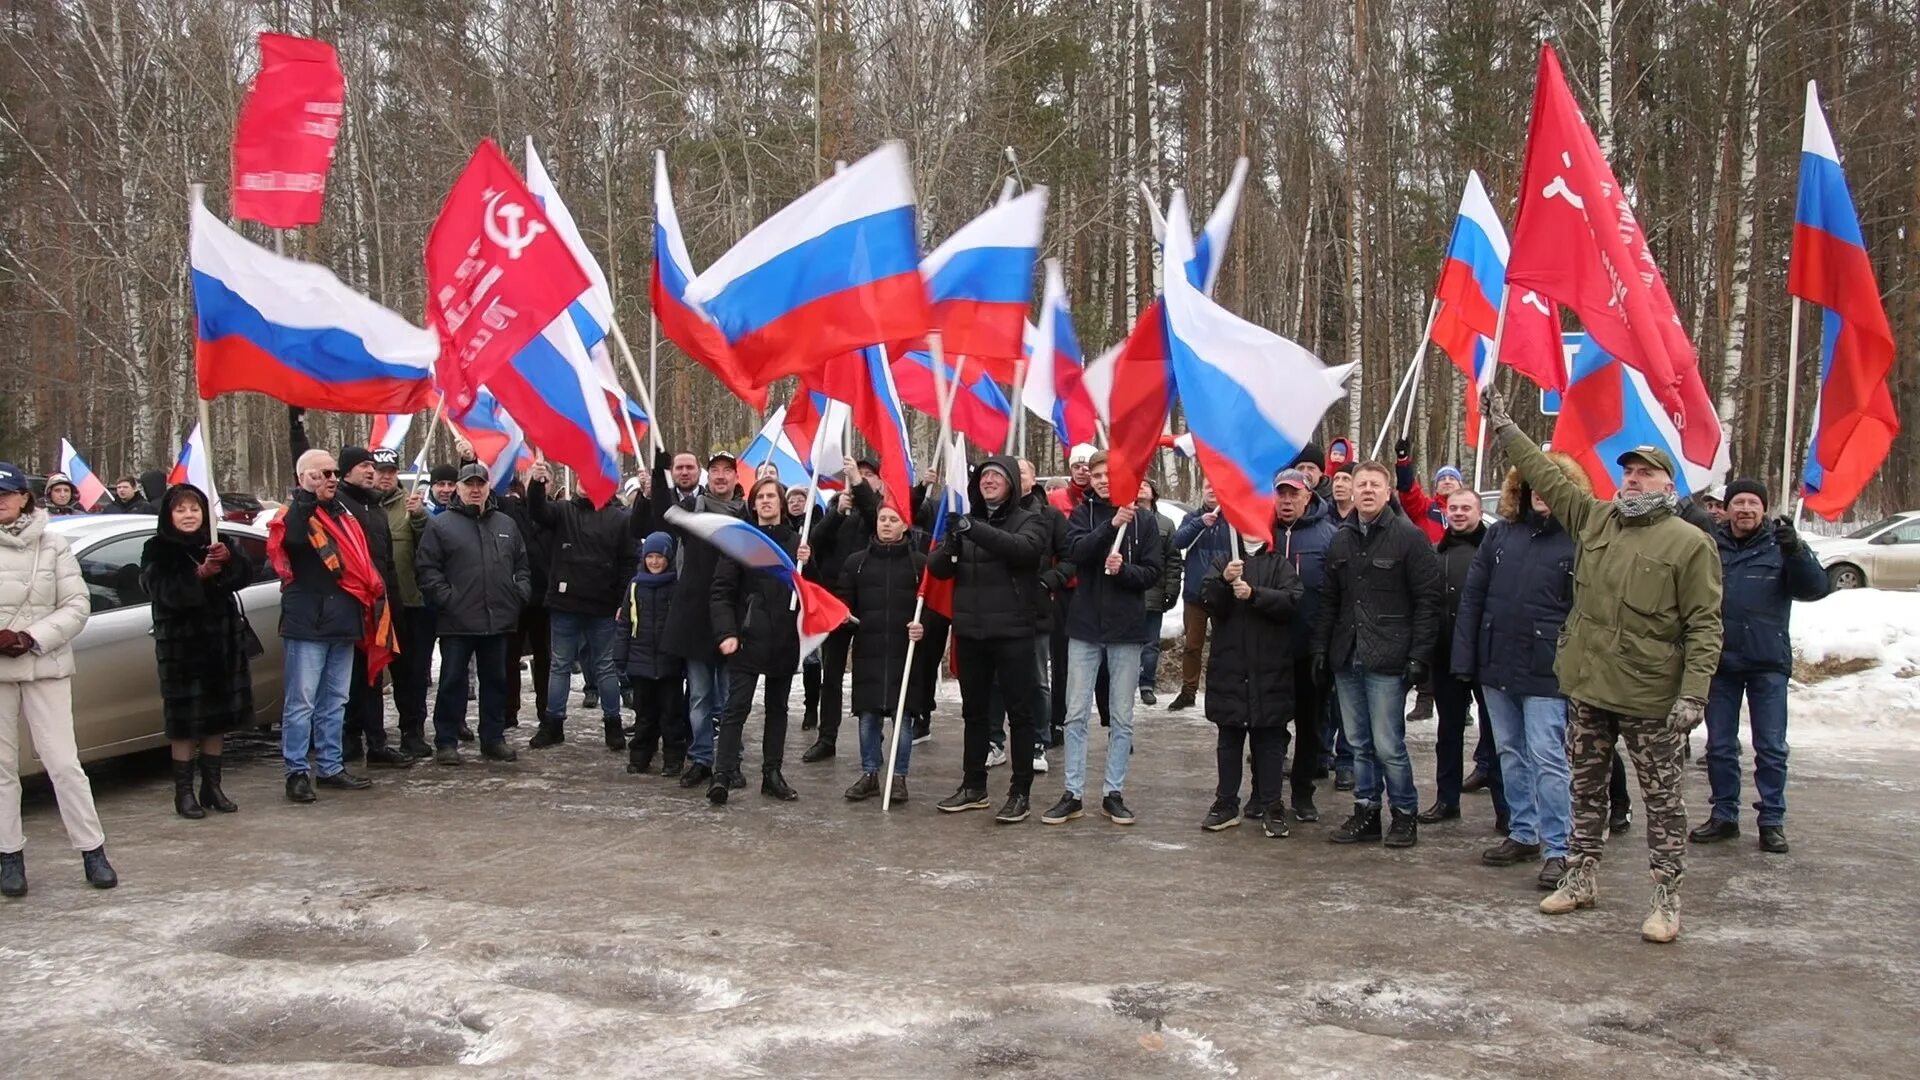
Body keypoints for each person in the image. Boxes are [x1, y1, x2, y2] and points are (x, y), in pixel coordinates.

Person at [1485, 389, 1723, 944]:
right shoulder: (1596, 521)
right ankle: (1581, 875)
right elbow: (1549, 479)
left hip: (1652, 697)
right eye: (1630, 471)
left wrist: (1694, 694)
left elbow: (1706, 625)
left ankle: (1666, 896)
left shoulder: (1689, 543)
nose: (1634, 479)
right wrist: (1505, 430)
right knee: (1584, 791)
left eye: (1646, 473)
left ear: (1669, 484)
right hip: (1589, 686)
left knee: (1662, 801)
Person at [1455, 450, 1585, 889]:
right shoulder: (1501, 535)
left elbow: (1587, 611)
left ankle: (1558, 847)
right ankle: (1524, 831)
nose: (1542, 493)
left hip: (1548, 669)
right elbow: (1473, 597)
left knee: (1548, 757)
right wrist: (1466, 658)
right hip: (1496, 663)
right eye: (1534, 483)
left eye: (1552, 485)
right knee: (1509, 752)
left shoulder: (1578, 539)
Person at [1690, 479, 1829, 854]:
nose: (1746, 509)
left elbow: (1816, 589)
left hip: (1767, 661)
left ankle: (1772, 820)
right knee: (1719, 745)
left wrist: (1796, 550)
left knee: (1770, 746)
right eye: (1738, 503)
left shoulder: (1781, 544)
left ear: (1763, 509)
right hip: (1720, 661)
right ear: (1728, 508)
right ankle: (1724, 815)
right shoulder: (1709, 545)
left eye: (1753, 503)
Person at [1313, 460, 1443, 850]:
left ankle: (1404, 813)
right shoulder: (1340, 539)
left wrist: (1420, 655)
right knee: (1357, 742)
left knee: (1388, 744)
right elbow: (1329, 601)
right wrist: (1321, 648)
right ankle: (1366, 810)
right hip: (1347, 656)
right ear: (1351, 492)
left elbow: (1428, 601)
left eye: (1375, 485)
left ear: (1388, 493)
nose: (1367, 490)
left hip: (1389, 656)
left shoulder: (1408, 537)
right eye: (1361, 484)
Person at [0, 463, 115, 895]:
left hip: (44, 664)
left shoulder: (53, 545)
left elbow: (76, 606)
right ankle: (9, 856)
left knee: (64, 765)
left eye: (7, 493)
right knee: (2, 770)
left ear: (24, 497)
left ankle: (93, 850)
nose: (1, 502)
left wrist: (30, 637)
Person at [1043, 451, 1163, 826]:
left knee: (1121, 717)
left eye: (1109, 473)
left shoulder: (1144, 522)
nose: (1102, 480)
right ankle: (1073, 792)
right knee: (1076, 714)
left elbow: (1153, 573)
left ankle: (1114, 791)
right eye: (1096, 474)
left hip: (1126, 631)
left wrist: (1125, 570)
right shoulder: (1083, 515)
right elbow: (1077, 552)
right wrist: (1111, 525)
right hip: (1084, 629)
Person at [929, 455, 1051, 823]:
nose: (989, 481)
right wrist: (950, 544)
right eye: (984, 476)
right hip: (971, 631)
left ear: (1013, 483)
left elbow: (1023, 550)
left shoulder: (1030, 519)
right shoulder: (969, 522)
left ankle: (1020, 792)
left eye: (997, 475)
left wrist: (972, 529)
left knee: (1020, 712)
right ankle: (973, 786)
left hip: (1012, 631)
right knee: (974, 712)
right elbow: (936, 569)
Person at [269, 449, 381, 802]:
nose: (332, 479)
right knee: (301, 703)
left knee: (336, 700)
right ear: (304, 478)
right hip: (308, 622)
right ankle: (297, 771)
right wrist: (305, 497)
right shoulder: (295, 514)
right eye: (323, 473)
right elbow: (295, 542)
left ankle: (331, 766)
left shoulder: (344, 515)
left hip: (342, 620)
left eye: (334, 473)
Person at [142, 484, 252, 818]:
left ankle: (213, 786)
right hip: (182, 648)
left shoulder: (217, 539)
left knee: (216, 718)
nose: (188, 516)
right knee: (185, 722)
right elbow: (158, 589)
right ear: (169, 515)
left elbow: (244, 576)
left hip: (220, 643)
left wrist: (230, 561)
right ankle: (184, 792)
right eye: (180, 510)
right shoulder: (157, 548)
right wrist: (198, 575)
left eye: (194, 509)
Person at [415, 463, 530, 765]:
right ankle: (446, 741)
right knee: (453, 682)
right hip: (457, 621)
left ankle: (493, 738)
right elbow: (427, 570)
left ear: (489, 487)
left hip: (498, 620)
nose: (475, 489)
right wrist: (447, 599)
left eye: (481, 484)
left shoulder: (506, 524)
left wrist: (518, 594)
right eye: (469, 484)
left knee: (495, 682)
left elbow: (522, 565)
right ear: (459, 488)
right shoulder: (441, 526)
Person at [1197, 514, 1304, 836]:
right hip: (1229, 668)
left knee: (1269, 742)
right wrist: (1223, 583)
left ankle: (1273, 806)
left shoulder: (1279, 564)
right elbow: (1208, 602)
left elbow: (1292, 601)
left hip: (1270, 668)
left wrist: (1255, 595)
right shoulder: (1222, 561)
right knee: (1229, 740)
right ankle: (1225, 803)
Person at [707, 477, 805, 803]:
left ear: (780, 503)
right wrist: (727, 632)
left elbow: (810, 592)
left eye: (771, 496)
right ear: (753, 504)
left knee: (777, 710)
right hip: (748, 638)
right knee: (736, 708)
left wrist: (809, 561)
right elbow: (721, 591)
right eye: (760, 496)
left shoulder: (795, 543)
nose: (766, 501)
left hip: (785, 638)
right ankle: (721, 775)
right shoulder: (742, 541)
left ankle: (772, 774)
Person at [527, 460, 635, 751]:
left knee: (606, 668)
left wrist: (622, 601)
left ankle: (613, 724)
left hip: (604, 607)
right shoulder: (562, 511)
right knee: (560, 665)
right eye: (582, 477)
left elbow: (628, 562)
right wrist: (536, 485)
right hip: (564, 604)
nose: (586, 483)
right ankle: (553, 724)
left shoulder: (621, 518)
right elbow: (536, 511)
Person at [654, 447, 746, 787]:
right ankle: (702, 759)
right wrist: (660, 471)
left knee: (731, 699)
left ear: (737, 478)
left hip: (732, 620)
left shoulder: (746, 516)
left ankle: (730, 762)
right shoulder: (693, 510)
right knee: (700, 697)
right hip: (694, 618)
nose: (721, 476)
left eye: (727, 470)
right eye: (715, 470)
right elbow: (663, 512)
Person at [1423, 488, 1507, 827]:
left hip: (1487, 657)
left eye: (1465, 508)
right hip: (1446, 656)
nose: (1458, 513)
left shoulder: (1496, 552)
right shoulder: (1436, 553)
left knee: (1498, 735)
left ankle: (1506, 809)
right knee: (1449, 732)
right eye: (1453, 508)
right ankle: (1446, 799)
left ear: (1478, 512)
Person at [330, 446, 413, 769]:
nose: (370, 471)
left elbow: (387, 563)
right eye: (364, 466)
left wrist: (395, 606)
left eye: (371, 466)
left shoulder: (376, 509)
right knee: (349, 679)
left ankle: (377, 743)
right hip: (348, 605)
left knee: (374, 676)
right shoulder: (338, 504)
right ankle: (349, 739)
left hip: (379, 607)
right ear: (346, 471)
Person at [836, 505, 924, 803]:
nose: (886, 524)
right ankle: (870, 772)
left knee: (903, 718)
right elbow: (843, 601)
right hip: (868, 651)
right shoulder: (856, 563)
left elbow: (933, 609)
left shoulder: (920, 565)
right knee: (868, 717)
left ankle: (899, 777)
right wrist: (843, 616)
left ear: (905, 526)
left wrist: (923, 628)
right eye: (882, 518)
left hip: (905, 652)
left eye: (893, 519)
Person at [1271, 469, 1336, 824]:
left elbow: (1334, 596)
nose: (1286, 501)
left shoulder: (1329, 536)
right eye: (1281, 494)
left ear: (1307, 497)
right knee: (1269, 725)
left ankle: (1303, 793)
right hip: (1270, 648)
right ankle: (1265, 793)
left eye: (1293, 494)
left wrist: (1325, 645)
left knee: (1310, 726)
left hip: (1310, 648)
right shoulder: (1262, 532)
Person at [799, 460, 873, 762]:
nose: (859, 482)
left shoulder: (880, 512)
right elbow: (813, 542)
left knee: (869, 676)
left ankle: (873, 735)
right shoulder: (834, 511)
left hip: (869, 605)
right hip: (836, 605)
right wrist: (837, 512)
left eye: (868, 477)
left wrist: (860, 486)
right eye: (857, 476)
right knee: (831, 676)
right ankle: (826, 736)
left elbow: (874, 516)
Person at [372, 448, 435, 759]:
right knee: (370, 676)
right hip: (371, 607)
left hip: (409, 605)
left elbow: (431, 551)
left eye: (390, 471)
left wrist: (422, 519)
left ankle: (412, 732)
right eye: (379, 471)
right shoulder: (358, 506)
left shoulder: (409, 505)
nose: (385, 477)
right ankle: (370, 737)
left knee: (410, 675)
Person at [618, 532, 684, 776]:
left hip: (669, 663)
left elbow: (683, 624)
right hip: (640, 661)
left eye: (659, 557)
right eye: (650, 557)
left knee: (671, 715)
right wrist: (620, 655)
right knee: (644, 715)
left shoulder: (676, 586)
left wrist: (682, 658)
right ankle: (640, 756)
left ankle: (673, 758)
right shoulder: (635, 585)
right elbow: (625, 622)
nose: (655, 562)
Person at [1167, 481, 1233, 712]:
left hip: (1223, 591)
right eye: (1208, 486)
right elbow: (1177, 541)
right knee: (1192, 646)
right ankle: (1188, 691)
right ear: (1202, 491)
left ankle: (1223, 689)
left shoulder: (1232, 519)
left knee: (1225, 646)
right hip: (1195, 592)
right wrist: (1199, 524)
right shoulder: (1192, 518)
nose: (1212, 490)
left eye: (1217, 486)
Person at [1138, 480, 1181, 707]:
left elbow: (1173, 560)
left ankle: (1147, 685)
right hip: (1127, 592)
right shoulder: (1124, 518)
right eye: (1138, 484)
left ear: (1154, 492)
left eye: (1146, 485)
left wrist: (1172, 589)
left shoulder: (1165, 523)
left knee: (1150, 643)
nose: (1141, 488)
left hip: (1154, 591)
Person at [1393, 437, 1466, 545]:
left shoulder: (1468, 510)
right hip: (1430, 559)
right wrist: (1403, 459)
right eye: (1442, 479)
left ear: (1461, 485)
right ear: (1436, 487)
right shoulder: (1425, 508)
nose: (1447, 481)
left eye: (1452, 478)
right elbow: (1408, 490)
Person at [1048, 443, 1097, 515]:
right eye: (1076, 467)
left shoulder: (1102, 497)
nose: (1080, 472)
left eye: (1086, 467)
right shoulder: (1056, 498)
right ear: (1071, 469)